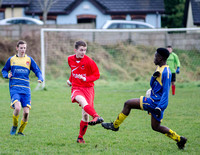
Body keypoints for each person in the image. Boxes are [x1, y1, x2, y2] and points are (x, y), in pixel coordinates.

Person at [102, 48, 187, 149]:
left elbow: (165, 92)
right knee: (156, 127)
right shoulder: (159, 68)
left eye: (155, 56)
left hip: (155, 103)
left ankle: (115, 126)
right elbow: (152, 85)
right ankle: (180, 139)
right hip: (154, 100)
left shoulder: (166, 72)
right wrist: (153, 77)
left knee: (128, 104)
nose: (154, 58)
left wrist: (160, 107)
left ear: (160, 58)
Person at [1, 40, 43, 136]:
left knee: (26, 113)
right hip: (15, 88)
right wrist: (7, 75)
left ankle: (20, 131)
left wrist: (40, 78)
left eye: (24, 48)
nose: (23, 50)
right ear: (17, 48)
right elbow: (4, 70)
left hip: (26, 89)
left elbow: (37, 71)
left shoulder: (29, 60)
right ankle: (14, 126)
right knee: (17, 108)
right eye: (21, 48)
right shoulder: (11, 60)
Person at [67, 40, 104, 144]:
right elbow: (73, 71)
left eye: (85, 50)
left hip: (88, 88)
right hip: (77, 88)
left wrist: (85, 78)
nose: (83, 52)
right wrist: (71, 80)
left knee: (85, 115)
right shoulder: (70, 59)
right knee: (83, 103)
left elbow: (97, 75)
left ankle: (80, 137)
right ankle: (96, 116)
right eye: (81, 50)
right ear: (75, 50)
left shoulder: (89, 61)